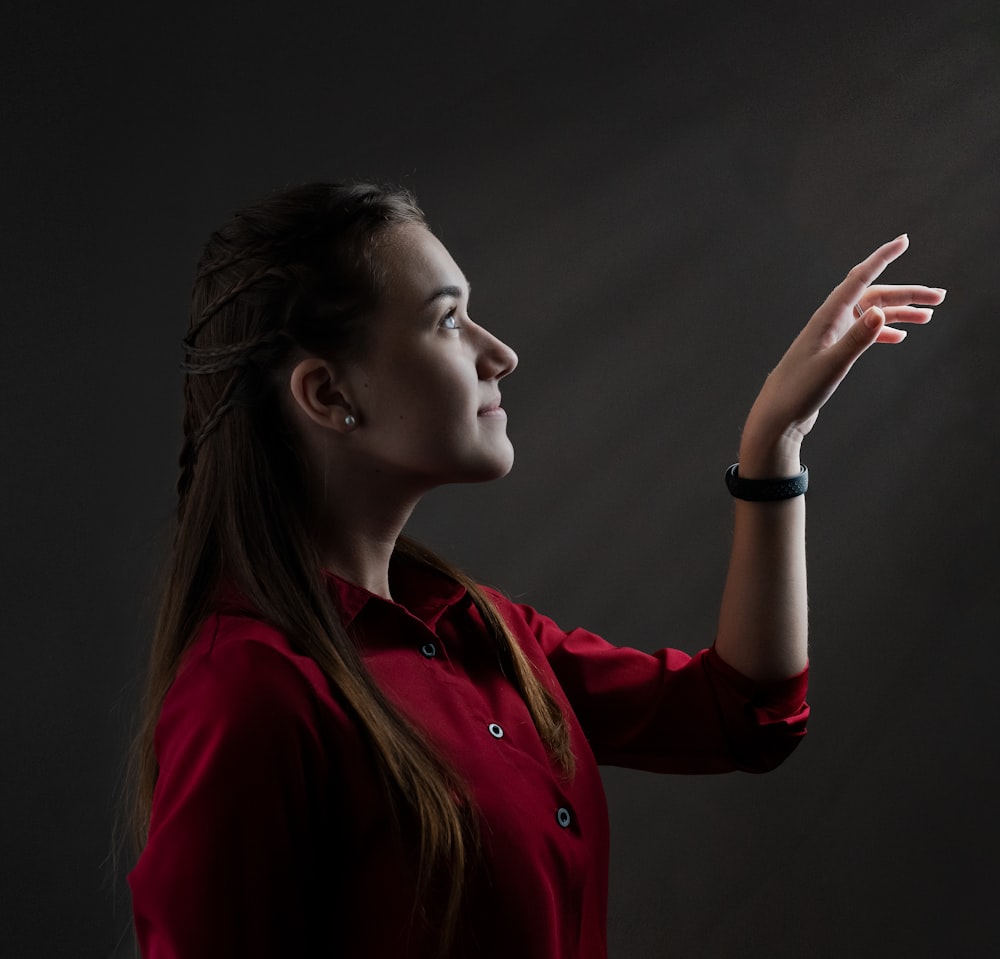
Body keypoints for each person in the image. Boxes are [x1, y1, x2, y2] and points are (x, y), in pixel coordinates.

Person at [126, 182, 944, 958]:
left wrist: (775, 444)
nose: (501, 353)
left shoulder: (481, 630)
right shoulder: (249, 691)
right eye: (448, 320)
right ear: (327, 390)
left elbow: (744, 715)